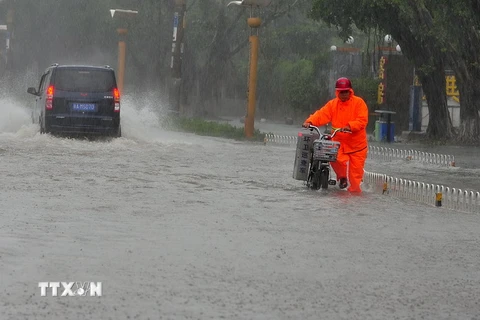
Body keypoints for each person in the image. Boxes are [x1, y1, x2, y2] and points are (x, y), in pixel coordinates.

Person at [302, 77, 369, 193]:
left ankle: (354, 202)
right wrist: (310, 121)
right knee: (335, 158)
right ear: (337, 92)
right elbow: (322, 114)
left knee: (355, 179)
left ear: (350, 91)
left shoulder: (359, 103)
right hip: (339, 143)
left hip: (357, 147)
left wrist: (350, 126)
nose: (343, 94)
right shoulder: (333, 105)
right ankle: (342, 179)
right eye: (341, 92)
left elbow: (362, 120)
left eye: (345, 92)